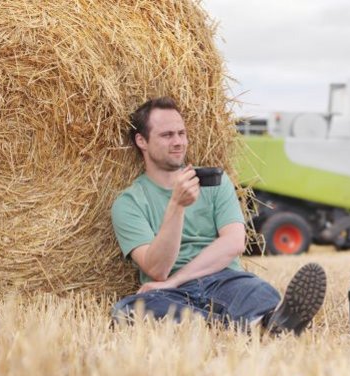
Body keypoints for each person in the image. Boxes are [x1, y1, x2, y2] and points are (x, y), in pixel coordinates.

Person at [110, 97, 326, 334]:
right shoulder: (129, 203)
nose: (178, 142)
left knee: (259, 292)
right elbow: (158, 270)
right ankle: (254, 326)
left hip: (224, 279)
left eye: (182, 133)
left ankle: (220, 324)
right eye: (167, 135)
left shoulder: (215, 182)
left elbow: (234, 243)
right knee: (129, 309)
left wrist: (176, 279)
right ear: (141, 140)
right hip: (170, 294)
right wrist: (176, 207)